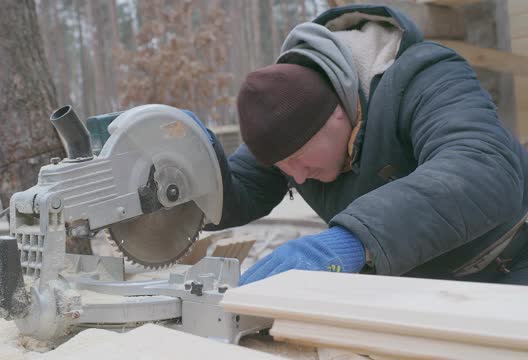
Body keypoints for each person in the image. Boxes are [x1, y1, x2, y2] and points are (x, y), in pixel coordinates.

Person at [203, 4, 528, 286]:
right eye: (284, 168)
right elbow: (237, 189)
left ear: (339, 115)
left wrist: (356, 238)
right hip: (419, 282)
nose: (298, 177)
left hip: (510, 261)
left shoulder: (425, 75)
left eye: (301, 159)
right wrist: (188, 172)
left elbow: (481, 168)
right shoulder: (289, 133)